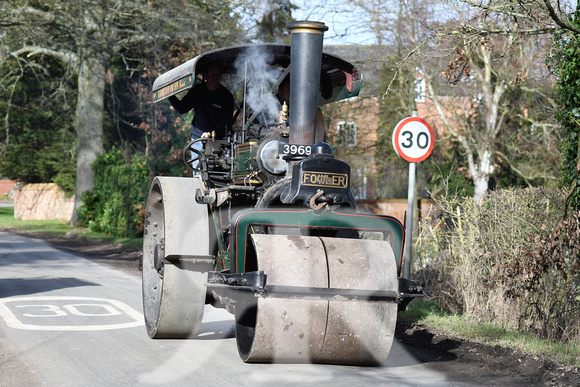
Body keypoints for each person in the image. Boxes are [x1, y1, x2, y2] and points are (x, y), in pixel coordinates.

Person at [169, 65, 234, 141]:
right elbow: (182, 108)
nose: (215, 76)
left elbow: (226, 123)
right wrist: (170, 95)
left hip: (217, 140)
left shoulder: (226, 96)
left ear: (221, 76)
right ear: (206, 75)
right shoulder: (197, 91)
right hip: (197, 138)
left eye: (218, 74)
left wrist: (211, 134)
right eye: (212, 73)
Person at [276, 76, 326, 143]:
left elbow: (319, 134)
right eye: (288, 90)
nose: (291, 93)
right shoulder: (271, 106)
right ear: (280, 91)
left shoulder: (312, 110)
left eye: (293, 90)